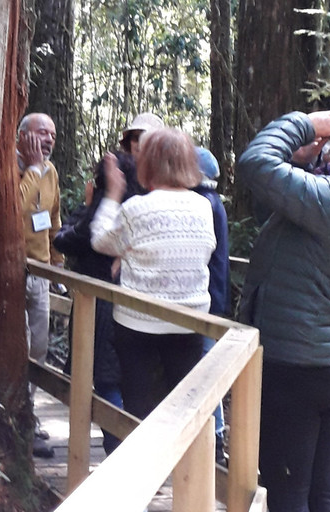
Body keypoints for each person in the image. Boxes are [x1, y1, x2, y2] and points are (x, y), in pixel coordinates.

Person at [238, 107, 330, 512]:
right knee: (320, 493)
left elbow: (255, 163)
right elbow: (273, 214)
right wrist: (302, 159)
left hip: (298, 369)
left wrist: (306, 123)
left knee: (288, 495)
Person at [54, 112, 163, 454]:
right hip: (104, 303)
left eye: (147, 141)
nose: (139, 148)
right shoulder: (110, 188)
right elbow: (70, 239)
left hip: (130, 302)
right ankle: (124, 455)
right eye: (135, 141)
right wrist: (93, 206)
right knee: (111, 378)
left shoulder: (151, 193)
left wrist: (95, 209)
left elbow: (79, 238)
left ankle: (126, 456)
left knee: (117, 379)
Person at [90, 127, 216, 420]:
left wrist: (112, 195)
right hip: (191, 321)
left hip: (139, 325)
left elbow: (100, 240)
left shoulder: (135, 208)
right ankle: (184, 466)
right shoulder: (204, 206)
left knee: (141, 412)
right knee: (184, 413)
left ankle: (146, 464)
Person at [18, 112, 62, 458]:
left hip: (42, 273)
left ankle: (28, 414)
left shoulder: (52, 172)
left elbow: (54, 217)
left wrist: (58, 261)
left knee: (40, 348)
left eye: (52, 135)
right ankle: (16, 420)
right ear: (22, 136)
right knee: (20, 345)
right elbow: (17, 207)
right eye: (40, 133)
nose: (47, 139)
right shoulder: (13, 166)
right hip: (14, 272)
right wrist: (32, 169)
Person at [194, 146, 230, 464]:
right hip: (213, 297)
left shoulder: (203, 202)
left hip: (207, 300)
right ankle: (213, 437)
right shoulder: (212, 202)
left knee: (205, 368)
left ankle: (215, 438)